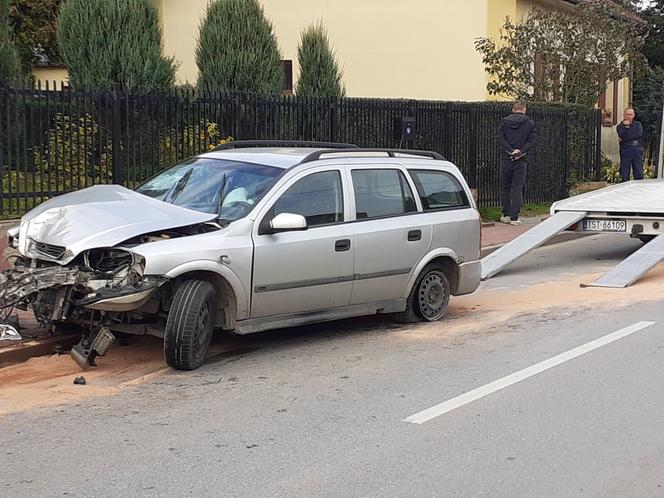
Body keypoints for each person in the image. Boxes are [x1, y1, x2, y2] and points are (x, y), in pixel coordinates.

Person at [496, 101, 537, 225]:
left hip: (506, 158)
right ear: (524, 109)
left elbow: (500, 138)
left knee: (505, 187)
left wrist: (510, 150)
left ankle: (506, 214)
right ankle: (515, 217)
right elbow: (532, 140)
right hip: (522, 159)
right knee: (517, 188)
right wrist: (520, 151)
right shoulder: (529, 123)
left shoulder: (504, 122)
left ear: (513, 109)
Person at [616, 108, 644, 182]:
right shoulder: (620, 126)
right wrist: (627, 128)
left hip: (636, 150)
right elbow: (623, 136)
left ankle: (639, 190)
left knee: (639, 172)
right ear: (624, 115)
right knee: (625, 173)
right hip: (625, 150)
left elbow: (638, 134)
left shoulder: (638, 124)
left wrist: (627, 134)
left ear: (634, 115)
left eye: (630, 114)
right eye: (627, 114)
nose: (628, 116)